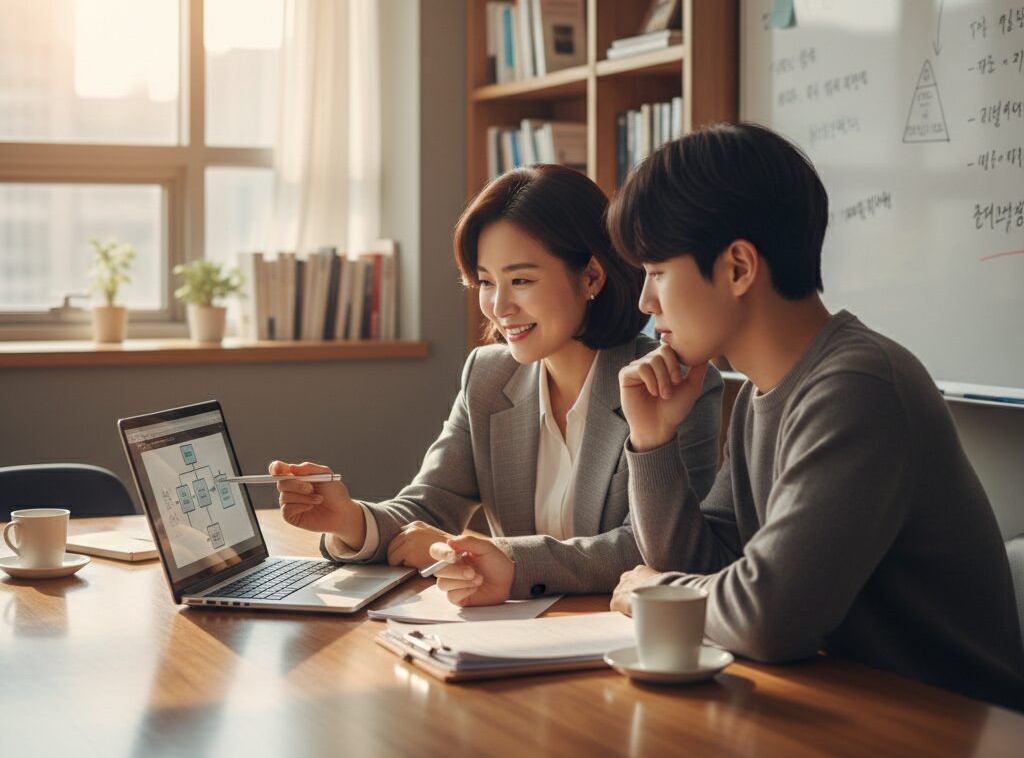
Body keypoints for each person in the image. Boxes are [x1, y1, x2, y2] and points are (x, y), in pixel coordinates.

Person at [596, 122, 1023, 710]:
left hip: (952, 730)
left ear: (738, 267)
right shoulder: (761, 396)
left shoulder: (858, 388)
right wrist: (652, 441)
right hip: (847, 707)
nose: (646, 302)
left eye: (658, 272)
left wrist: (654, 593)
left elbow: (768, 617)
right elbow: (704, 566)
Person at [274, 164, 723, 601]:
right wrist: (351, 520)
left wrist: (504, 559)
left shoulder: (670, 384)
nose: (499, 306)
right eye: (486, 282)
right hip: (509, 633)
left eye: (521, 280)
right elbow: (430, 505)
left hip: (622, 631)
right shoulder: (488, 375)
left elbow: (655, 549)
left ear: (591, 275)